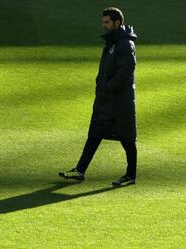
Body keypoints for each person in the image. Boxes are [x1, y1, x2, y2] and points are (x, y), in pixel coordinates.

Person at [59, 7, 138, 186]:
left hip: (120, 102)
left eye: (107, 22)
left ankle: (130, 175)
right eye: (103, 22)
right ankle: (80, 171)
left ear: (117, 23)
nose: (103, 26)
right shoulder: (113, 42)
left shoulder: (125, 44)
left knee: (127, 138)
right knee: (95, 133)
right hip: (108, 99)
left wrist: (108, 88)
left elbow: (125, 73)